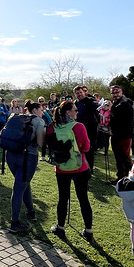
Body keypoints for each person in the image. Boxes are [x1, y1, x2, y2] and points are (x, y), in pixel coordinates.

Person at [47, 100, 94, 242]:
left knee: (63, 198)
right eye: (75, 110)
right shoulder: (78, 126)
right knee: (83, 199)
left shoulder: (52, 126)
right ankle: (88, 231)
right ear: (68, 112)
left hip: (61, 168)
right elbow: (86, 147)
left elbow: (48, 144)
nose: (77, 112)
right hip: (80, 166)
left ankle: (60, 228)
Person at [7, 100, 46, 233]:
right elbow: (40, 143)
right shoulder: (39, 121)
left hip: (11, 155)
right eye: (41, 110)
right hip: (27, 156)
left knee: (23, 183)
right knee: (19, 187)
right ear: (34, 110)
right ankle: (14, 222)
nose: (43, 112)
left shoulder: (17, 117)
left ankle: (31, 211)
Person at [109, 85, 134, 181]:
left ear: (121, 92)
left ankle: (130, 178)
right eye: (113, 93)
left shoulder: (125, 104)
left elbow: (125, 121)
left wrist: (112, 110)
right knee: (118, 158)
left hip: (124, 135)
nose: (115, 95)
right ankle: (121, 177)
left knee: (124, 157)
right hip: (116, 135)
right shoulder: (115, 103)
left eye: (117, 92)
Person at [74, 85, 99, 171]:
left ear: (84, 92)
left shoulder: (90, 101)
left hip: (90, 129)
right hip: (79, 129)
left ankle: (90, 169)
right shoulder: (75, 103)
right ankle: (81, 167)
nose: (79, 94)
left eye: (81, 92)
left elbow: (96, 105)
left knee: (89, 150)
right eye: (77, 93)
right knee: (79, 149)